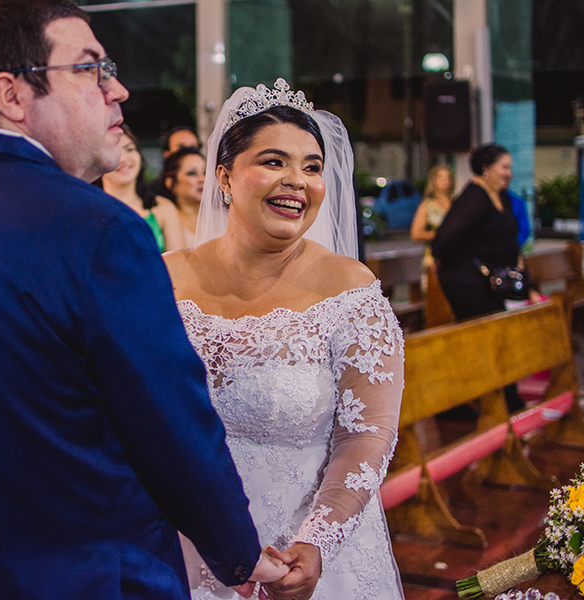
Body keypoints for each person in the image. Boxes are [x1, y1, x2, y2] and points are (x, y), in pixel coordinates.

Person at [0, 1, 287, 598]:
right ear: (12, 95)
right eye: (90, 69)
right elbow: (167, 423)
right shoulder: (97, 230)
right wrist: (240, 555)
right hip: (86, 577)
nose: (119, 90)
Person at [164, 79, 405, 600]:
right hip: (181, 546)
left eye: (312, 167)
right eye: (274, 162)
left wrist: (316, 541)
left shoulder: (351, 291)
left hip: (305, 550)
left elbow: (367, 436)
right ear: (225, 176)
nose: (297, 180)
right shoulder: (163, 280)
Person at [431, 143, 542, 322]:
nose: (509, 173)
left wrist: (526, 281)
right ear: (486, 168)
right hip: (471, 284)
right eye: (504, 167)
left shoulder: (501, 195)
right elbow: (444, 238)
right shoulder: (474, 197)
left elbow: (509, 239)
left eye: (509, 168)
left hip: (495, 284)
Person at [97, 124, 185, 252]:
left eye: (130, 149)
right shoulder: (88, 211)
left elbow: (179, 267)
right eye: (114, 151)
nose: (124, 159)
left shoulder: (163, 208)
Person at [158, 147, 205, 248]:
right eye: (192, 173)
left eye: (205, 173)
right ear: (170, 183)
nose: (202, 179)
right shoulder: (165, 219)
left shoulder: (222, 216)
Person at [410, 164, 453, 245]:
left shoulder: (455, 203)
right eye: (440, 177)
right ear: (434, 181)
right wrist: (438, 235)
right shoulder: (427, 205)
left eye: (448, 177)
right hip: (434, 253)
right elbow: (416, 234)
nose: (445, 180)